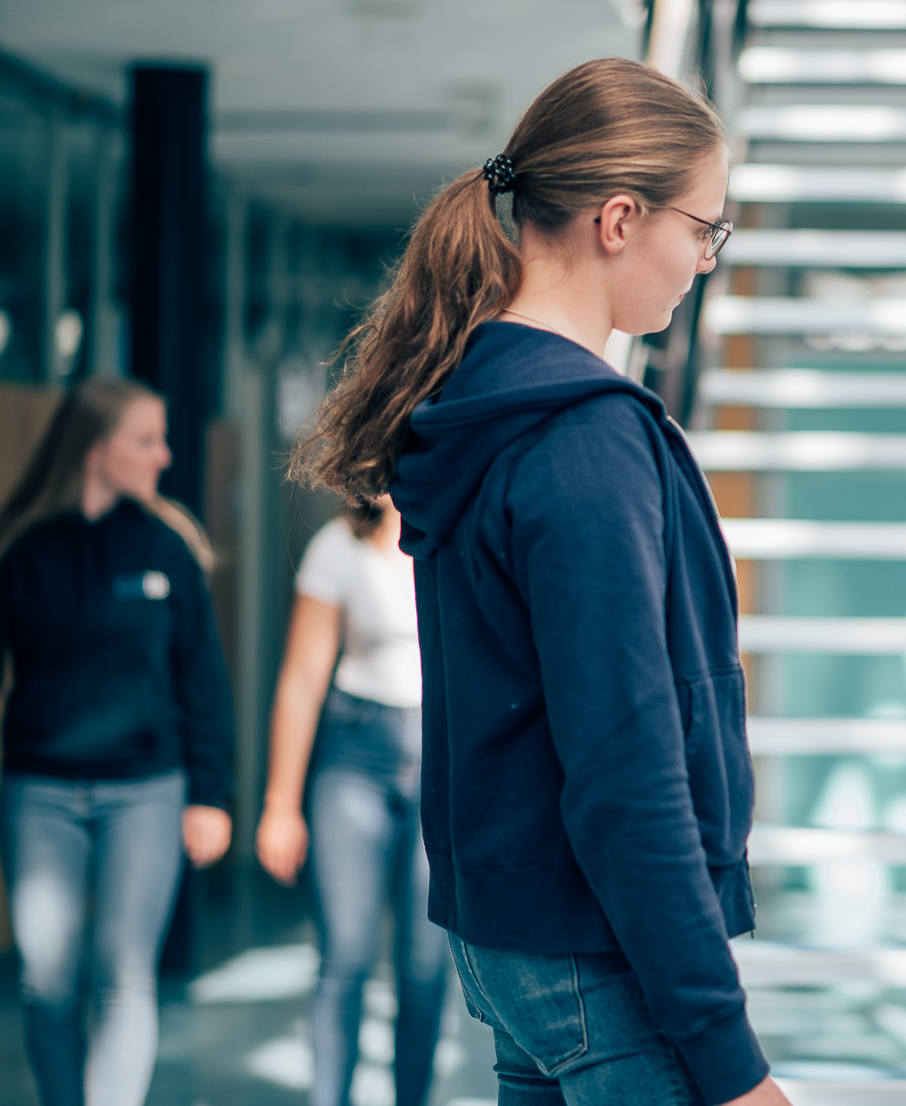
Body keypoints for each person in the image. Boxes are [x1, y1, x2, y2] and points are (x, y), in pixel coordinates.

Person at [290, 56, 786, 1106]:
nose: (705, 257)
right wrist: (730, 1060)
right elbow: (625, 765)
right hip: (603, 951)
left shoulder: (479, 405)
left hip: (513, 945)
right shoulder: (586, 441)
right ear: (619, 219)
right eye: (704, 227)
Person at [0, 376, 234, 1106]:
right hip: (41, 792)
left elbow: (203, 682)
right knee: (47, 981)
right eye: (146, 440)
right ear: (95, 450)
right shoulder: (18, 550)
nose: (164, 455)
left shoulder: (169, 548)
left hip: (147, 791)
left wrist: (210, 793)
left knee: (123, 976)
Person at [256, 494, 446, 1106]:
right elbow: (302, 677)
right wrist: (281, 804)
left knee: (425, 966)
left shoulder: (456, 530)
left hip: (442, 755)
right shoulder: (338, 546)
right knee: (344, 956)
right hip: (354, 754)